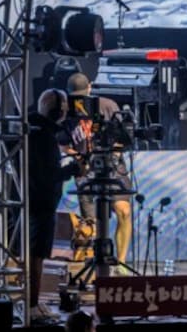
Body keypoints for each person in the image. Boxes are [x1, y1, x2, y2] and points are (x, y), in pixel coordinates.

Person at [62, 72, 133, 274]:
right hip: (85, 169)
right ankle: (96, 264)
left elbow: (124, 137)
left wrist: (114, 153)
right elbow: (63, 144)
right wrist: (79, 157)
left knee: (124, 211)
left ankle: (120, 262)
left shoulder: (108, 106)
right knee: (92, 222)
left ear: (91, 88)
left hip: (112, 165)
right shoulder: (66, 111)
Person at [28, 89, 82, 323]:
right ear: (57, 111)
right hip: (41, 203)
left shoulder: (31, 130)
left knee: (32, 254)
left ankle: (29, 302)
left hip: (29, 200)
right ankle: (32, 306)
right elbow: (49, 175)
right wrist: (74, 168)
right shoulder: (45, 138)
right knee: (37, 256)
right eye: (65, 110)